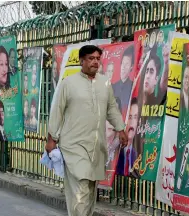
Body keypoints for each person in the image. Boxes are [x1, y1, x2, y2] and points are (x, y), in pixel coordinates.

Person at [46, 45, 128, 216]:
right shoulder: (69, 83)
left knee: (90, 191)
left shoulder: (104, 83)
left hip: (97, 147)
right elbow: (57, 111)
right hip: (74, 145)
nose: (95, 62)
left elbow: (111, 108)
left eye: (98, 58)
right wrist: (51, 138)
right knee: (80, 190)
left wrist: (121, 129)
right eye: (91, 58)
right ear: (81, 60)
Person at [117, 98, 139, 176]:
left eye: (135, 117)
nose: (132, 123)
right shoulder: (116, 151)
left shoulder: (139, 154)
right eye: (129, 117)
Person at [112, 45, 134, 112]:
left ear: (131, 67)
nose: (123, 67)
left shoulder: (132, 86)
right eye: (123, 63)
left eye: (127, 64)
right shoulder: (113, 86)